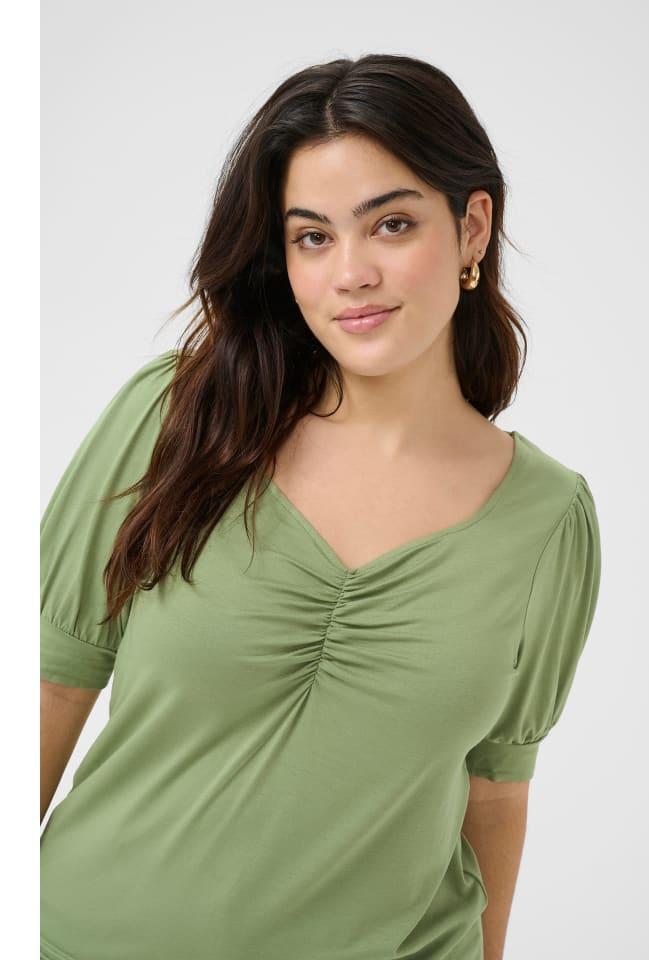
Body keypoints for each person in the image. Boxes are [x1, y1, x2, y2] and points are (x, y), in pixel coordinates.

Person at [40, 53, 602, 960]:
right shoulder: (176, 418)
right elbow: (51, 685)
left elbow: (495, 791)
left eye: (391, 224)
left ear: (472, 228)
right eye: (312, 237)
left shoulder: (547, 518)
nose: (351, 273)